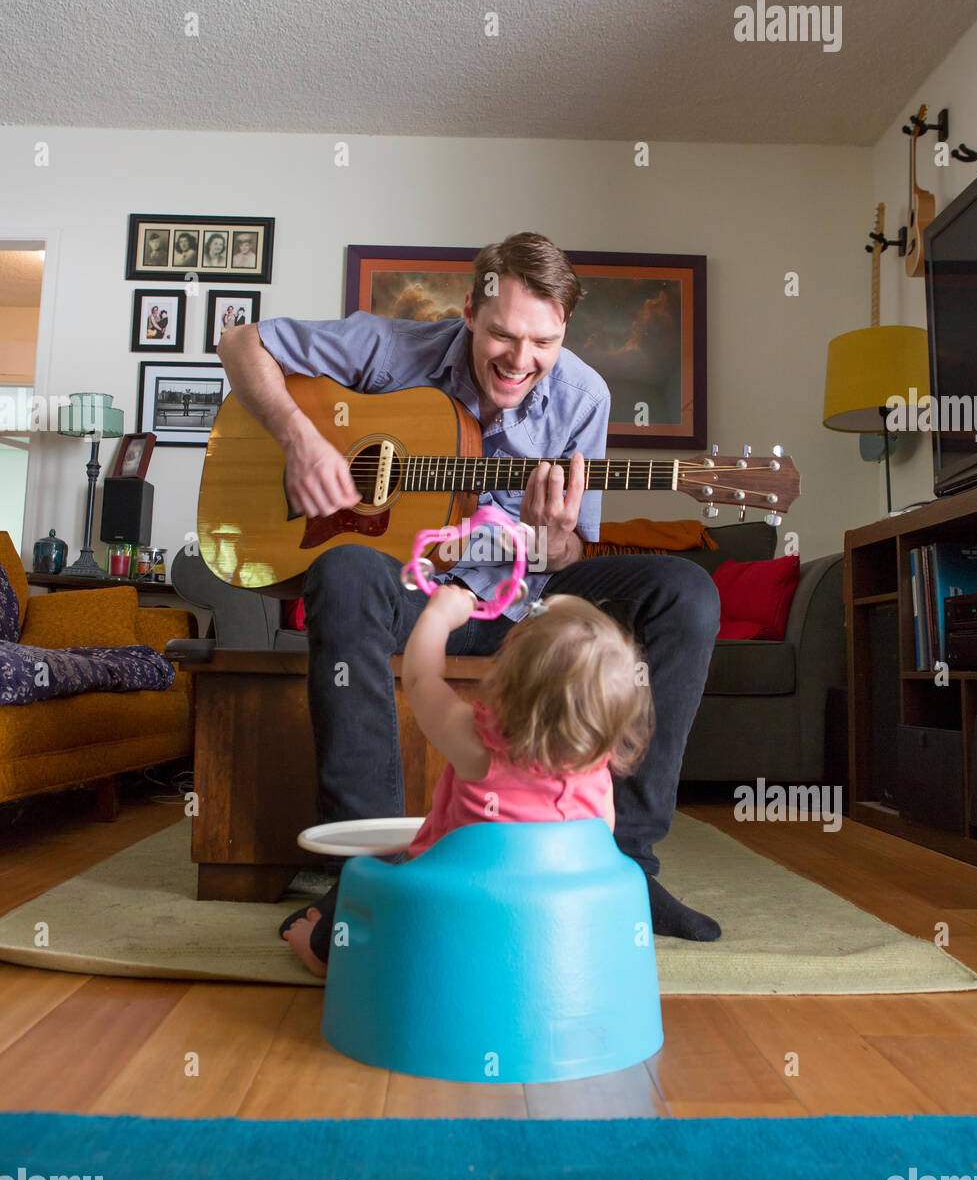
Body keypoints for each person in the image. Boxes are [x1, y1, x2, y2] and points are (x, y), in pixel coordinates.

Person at [216, 231, 722, 947]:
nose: (521, 360)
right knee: (343, 567)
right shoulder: (392, 351)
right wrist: (302, 439)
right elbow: (240, 342)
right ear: (468, 314)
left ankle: (624, 866)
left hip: (525, 608)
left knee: (686, 592)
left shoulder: (584, 398)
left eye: (543, 342)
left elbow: (570, 547)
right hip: (413, 598)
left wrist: (553, 539)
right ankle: (364, 871)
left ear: (565, 329)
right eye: (502, 336)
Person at [281, 585, 655, 975]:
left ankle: (319, 950)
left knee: (363, 891)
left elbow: (421, 679)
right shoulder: (598, 772)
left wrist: (439, 617)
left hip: (446, 921)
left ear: (508, 679)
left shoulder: (478, 745)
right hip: (548, 935)